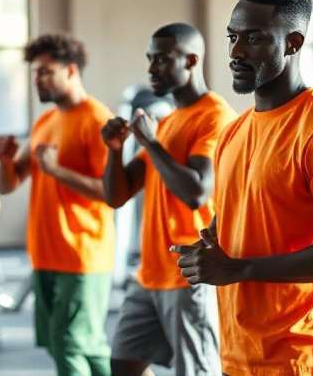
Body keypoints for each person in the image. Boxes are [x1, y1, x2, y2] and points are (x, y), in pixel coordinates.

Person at [174, 0, 313, 375]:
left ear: (293, 43)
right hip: (237, 355)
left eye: (254, 38)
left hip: (298, 359)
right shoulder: (235, 130)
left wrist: (240, 269)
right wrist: (208, 248)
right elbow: (240, 221)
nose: (236, 50)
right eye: (233, 36)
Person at [103, 23, 235, 376]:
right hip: (150, 273)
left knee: (194, 371)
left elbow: (196, 191)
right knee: (123, 362)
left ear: (191, 60)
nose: (151, 69)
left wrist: (150, 144)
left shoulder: (214, 116)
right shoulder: (169, 121)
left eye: (162, 59)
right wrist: (115, 152)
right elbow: (116, 196)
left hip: (190, 272)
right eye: (150, 59)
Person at [0, 34, 114, 376]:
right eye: (35, 73)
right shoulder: (45, 122)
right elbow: (7, 185)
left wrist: (56, 171)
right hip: (45, 255)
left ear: (71, 70)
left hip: (83, 256)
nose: (38, 80)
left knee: (70, 343)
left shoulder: (96, 120)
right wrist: (4, 161)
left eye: (46, 72)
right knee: (79, 346)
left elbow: (111, 192)